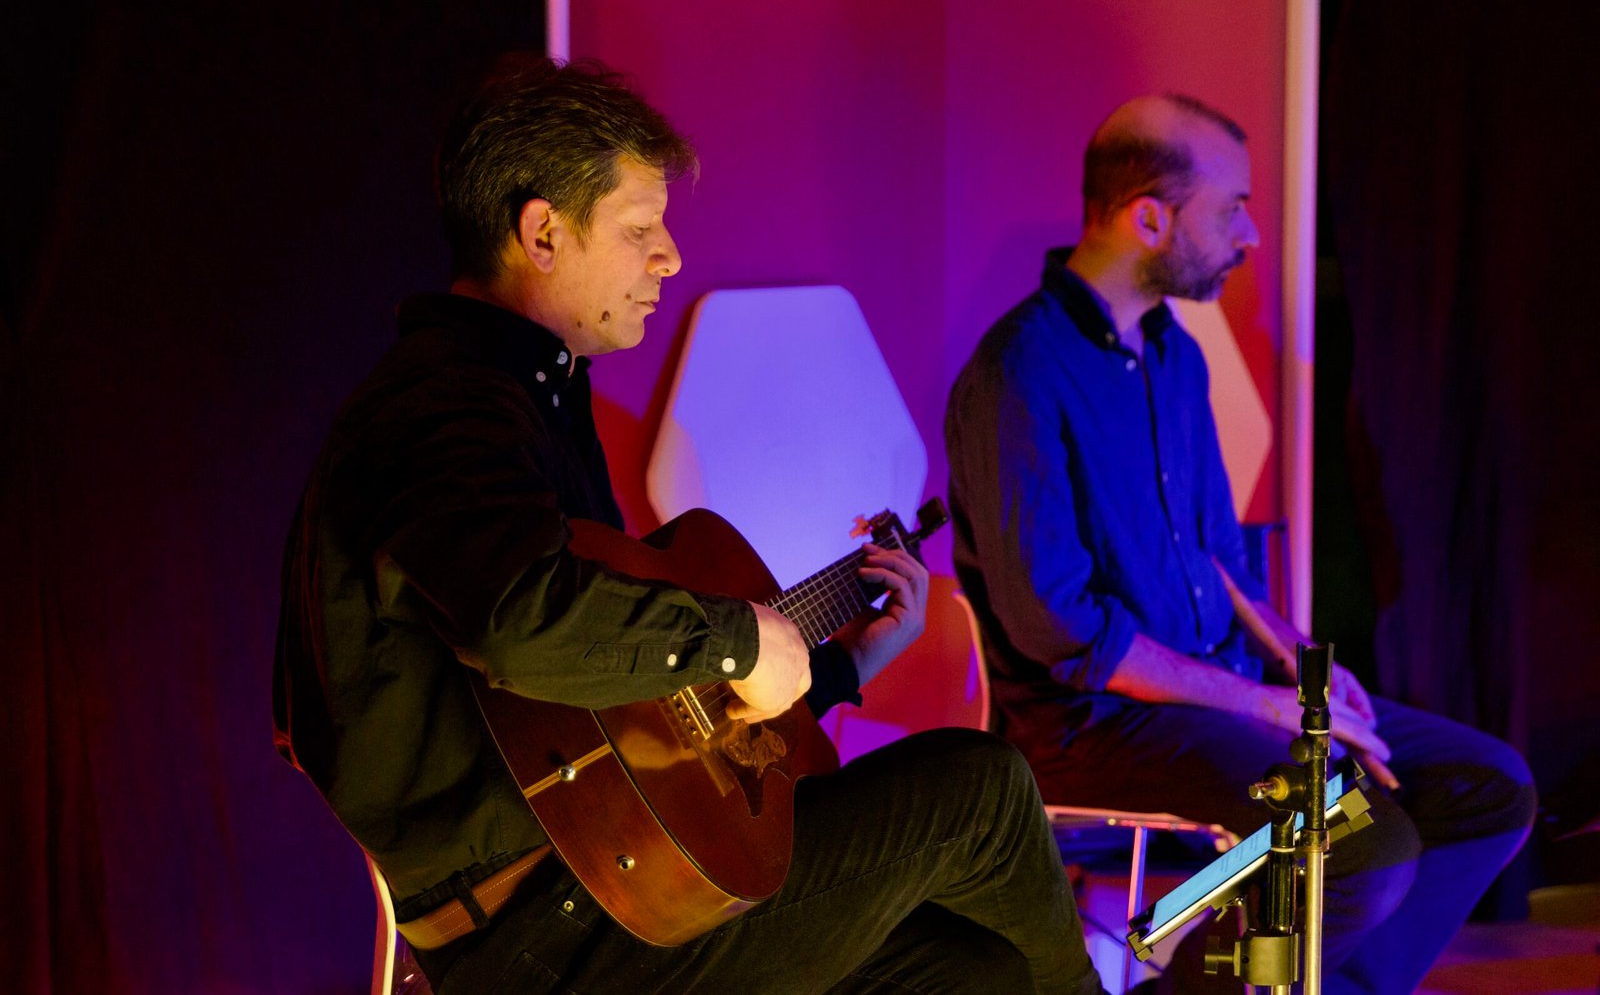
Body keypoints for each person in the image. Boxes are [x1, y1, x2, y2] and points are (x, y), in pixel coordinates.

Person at [274, 54, 1104, 995]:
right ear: (542, 233)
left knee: (975, 971)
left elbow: (624, 717)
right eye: (639, 230)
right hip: (551, 935)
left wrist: (841, 667)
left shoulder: (531, 395)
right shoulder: (445, 408)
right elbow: (518, 618)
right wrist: (741, 638)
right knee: (982, 792)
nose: (668, 257)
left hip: (612, 881)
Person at [944, 94, 1536, 994]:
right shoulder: (1018, 372)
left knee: (1487, 787)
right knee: (1357, 841)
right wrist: (1258, 706)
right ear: (1150, 218)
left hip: (1213, 687)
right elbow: (1060, 628)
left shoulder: (1176, 355)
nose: (1251, 235)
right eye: (1233, 210)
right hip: (1088, 721)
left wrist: (1301, 672)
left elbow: (1219, 559)